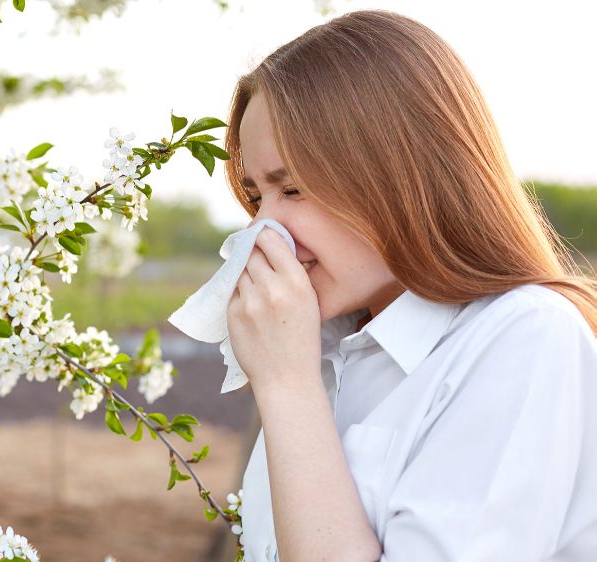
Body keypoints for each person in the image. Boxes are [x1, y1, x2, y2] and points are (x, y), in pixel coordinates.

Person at [222, 9, 597, 562]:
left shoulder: (524, 338)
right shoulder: (324, 350)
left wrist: (286, 386)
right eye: (256, 197)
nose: (262, 231)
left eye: (293, 189)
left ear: (402, 174)